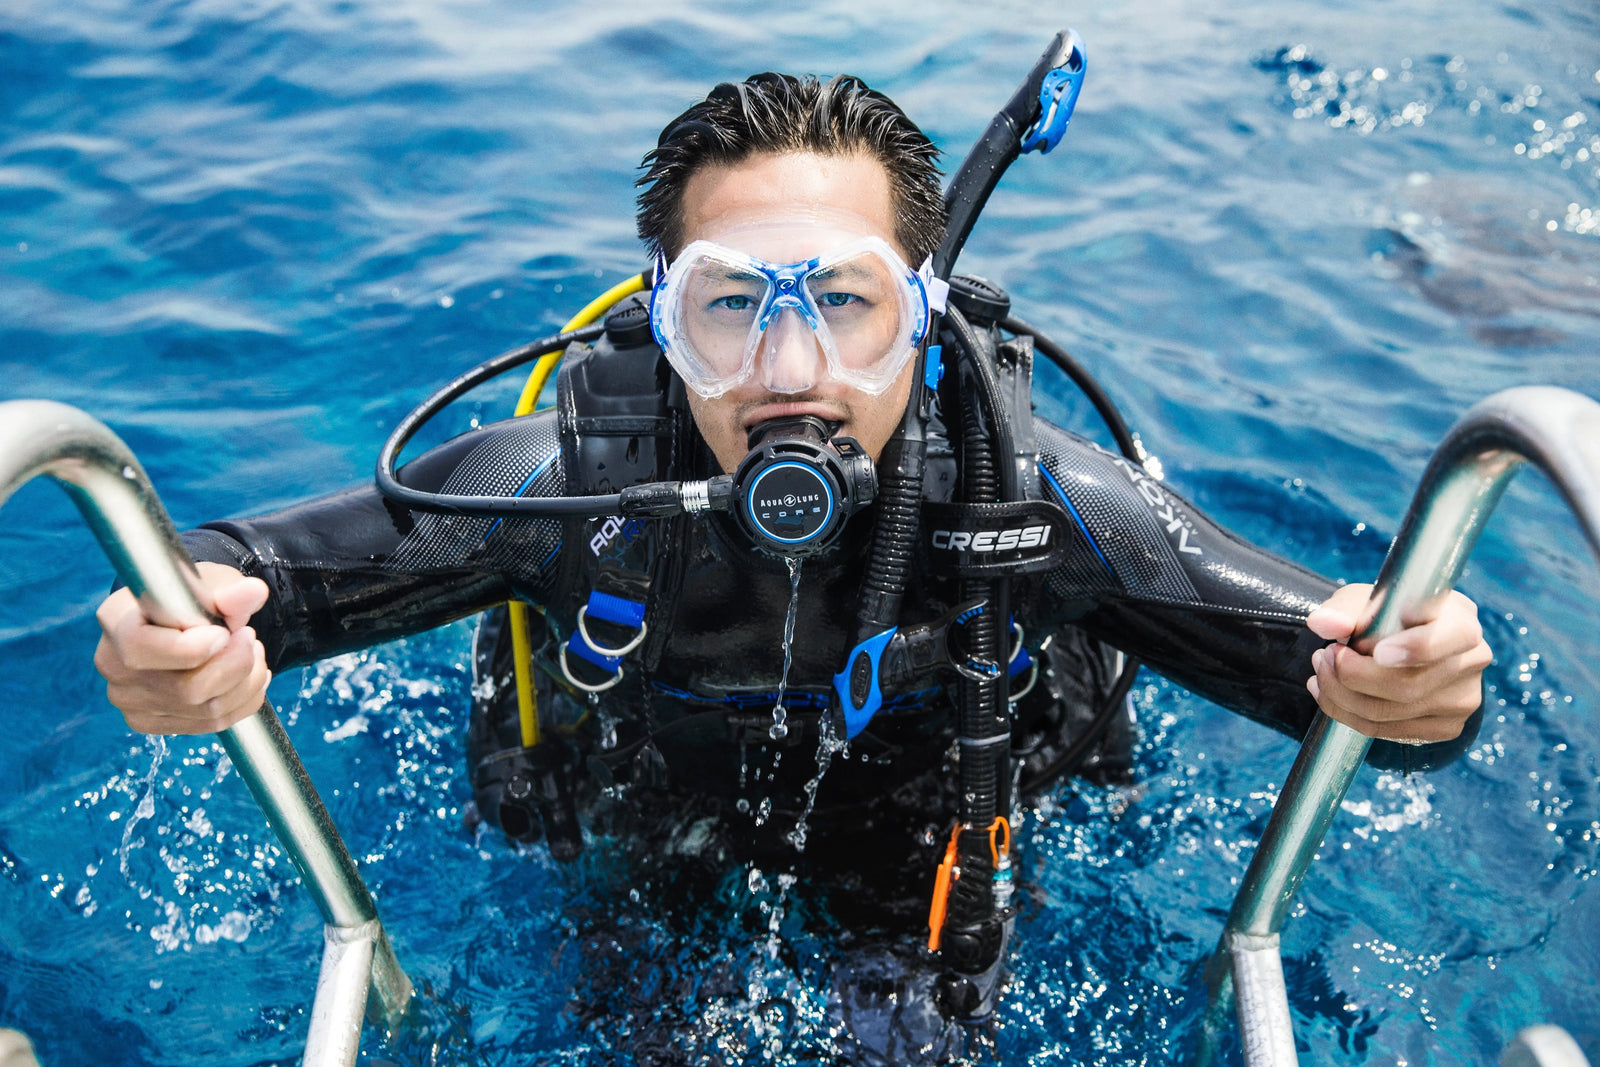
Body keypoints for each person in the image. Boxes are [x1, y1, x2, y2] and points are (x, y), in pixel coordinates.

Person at [91, 72, 1491, 1059]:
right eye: (727, 307)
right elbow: (240, 575)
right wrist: (183, 636)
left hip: (931, 854)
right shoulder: (570, 488)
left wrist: (1422, 689)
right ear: (660, 318)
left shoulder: (1036, 503)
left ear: (926, 316)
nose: (788, 368)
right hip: (646, 849)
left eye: (843, 299)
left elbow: (1357, 683)